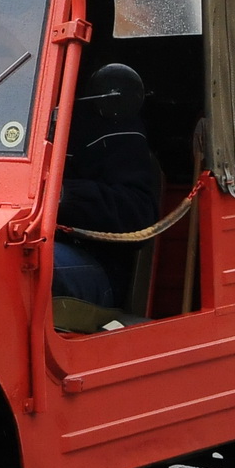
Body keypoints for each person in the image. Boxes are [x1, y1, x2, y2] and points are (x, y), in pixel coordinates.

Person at [53, 63, 161, 307]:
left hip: (91, 260)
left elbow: (139, 214)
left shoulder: (104, 111)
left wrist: (61, 194)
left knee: (14, 266)